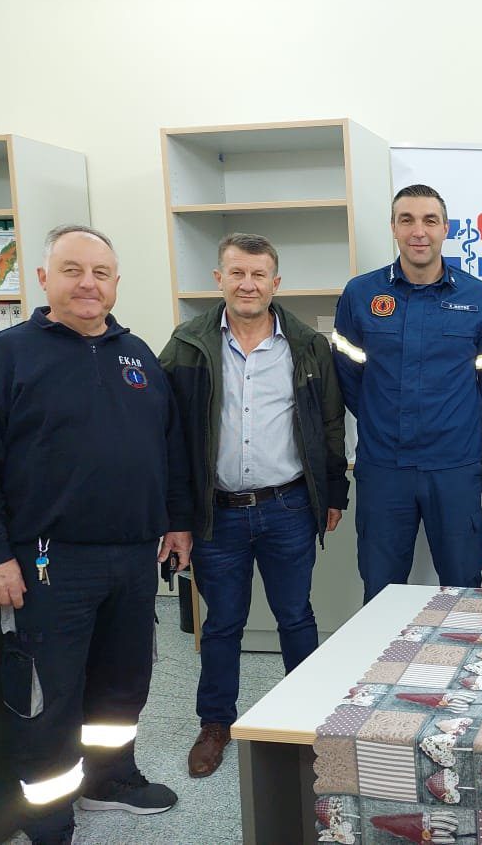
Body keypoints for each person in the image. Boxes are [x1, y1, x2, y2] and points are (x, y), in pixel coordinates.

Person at [0, 225, 192, 844]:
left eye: (101, 273)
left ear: (116, 282)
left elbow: (167, 448)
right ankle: (48, 816)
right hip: (46, 562)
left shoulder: (137, 355)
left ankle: (109, 780)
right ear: (43, 279)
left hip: (133, 557)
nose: (88, 283)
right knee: (49, 696)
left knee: (122, 684)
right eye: (72, 270)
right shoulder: (3, 357)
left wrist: (175, 522)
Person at [158, 232, 349, 778]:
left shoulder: (307, 345)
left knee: (296, 615)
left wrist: (334, 491)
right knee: (222, 623)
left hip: (288, 505)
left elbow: (330, 423)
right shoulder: (188, 344)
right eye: (237, 273)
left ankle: (306, 716)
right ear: (219, 279)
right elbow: (169, 434)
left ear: (275, 282)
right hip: (217, 512)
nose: (248, 284)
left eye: (258, 274)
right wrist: (176, 516)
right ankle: (216, 724)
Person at [332, 184, 482, 602]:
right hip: (383, 467)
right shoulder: (360, 295)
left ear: (446, 229)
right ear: (393, 227)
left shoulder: (480, 298)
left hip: (453, 466)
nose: (419, 231)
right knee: (381, 587)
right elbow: (348, 376)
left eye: (430, 220)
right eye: (407, 220)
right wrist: (380, 419)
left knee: (463, 586)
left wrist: (457, 424)